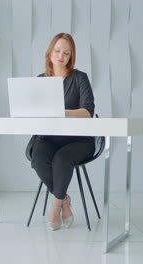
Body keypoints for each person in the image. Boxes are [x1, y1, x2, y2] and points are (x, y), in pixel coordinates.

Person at [30, 33, 95, 231]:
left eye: (66, 53)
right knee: (37, 158)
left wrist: (62, 112)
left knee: (61, 160)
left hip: (79, 140)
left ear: (71, 57)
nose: (61, 55)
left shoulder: (79, 78)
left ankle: (55, 206)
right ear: (50, 52)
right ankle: (64, 199)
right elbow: (34, 111)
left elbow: (88, 111)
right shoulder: (40, 80)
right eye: (57, 50)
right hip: (48, 137)